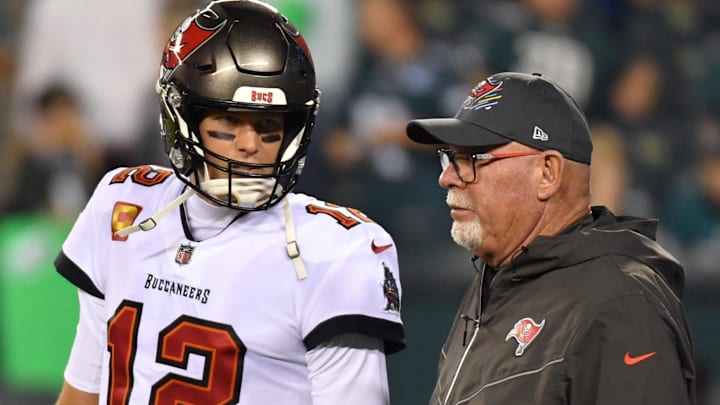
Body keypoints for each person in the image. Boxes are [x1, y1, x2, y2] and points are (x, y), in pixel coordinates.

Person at [54, 2, 405, 404]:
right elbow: (81, 392)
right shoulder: (124, 205)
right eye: (230, 121)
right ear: (181, 115)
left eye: (268, 125)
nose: (250, 144)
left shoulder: (335, 251)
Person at [405, 71, 696, 404]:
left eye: (471, 158)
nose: (447, 178)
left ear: (547, 174)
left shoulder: (621, 306)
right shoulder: (497, 280)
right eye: (449, 157)